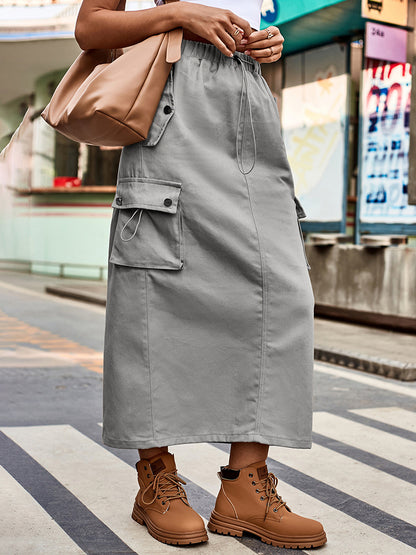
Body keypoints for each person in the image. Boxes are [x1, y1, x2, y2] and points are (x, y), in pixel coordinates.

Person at [75, 0, 327, 549]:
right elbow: (90, 28)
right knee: (154, 286)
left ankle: (245, 488)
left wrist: (267, 42)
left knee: (281, 291)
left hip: (247, 102)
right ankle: (157, 480)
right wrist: (181, 14)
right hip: (167, 102)